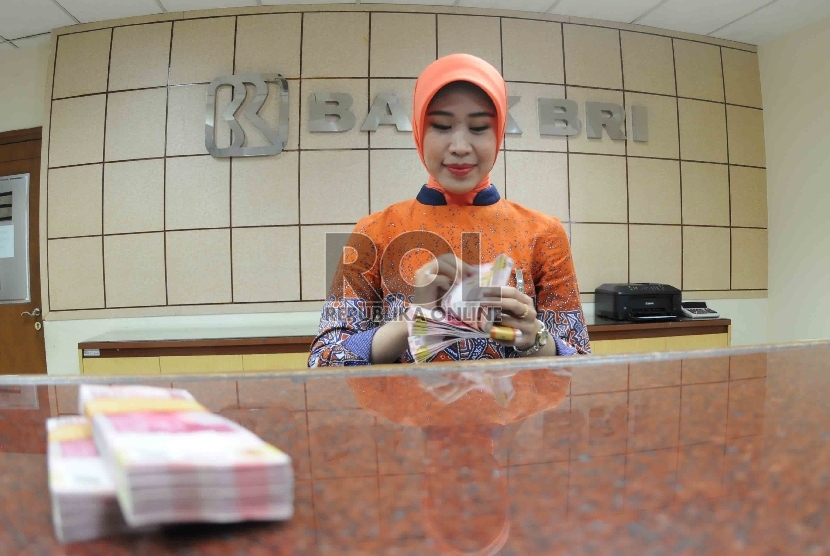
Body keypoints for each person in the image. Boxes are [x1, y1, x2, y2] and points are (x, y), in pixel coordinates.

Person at [308, 53, 590, 367]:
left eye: (480, 127)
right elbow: (324, 360)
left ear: (498, 133)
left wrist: (536, 338)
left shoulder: (543, 233)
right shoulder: (374, 232)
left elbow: (579, 361)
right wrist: (414, 322)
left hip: (511, 415)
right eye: (442, 126)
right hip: (407, 416)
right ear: (417, 130)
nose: (459, 146)